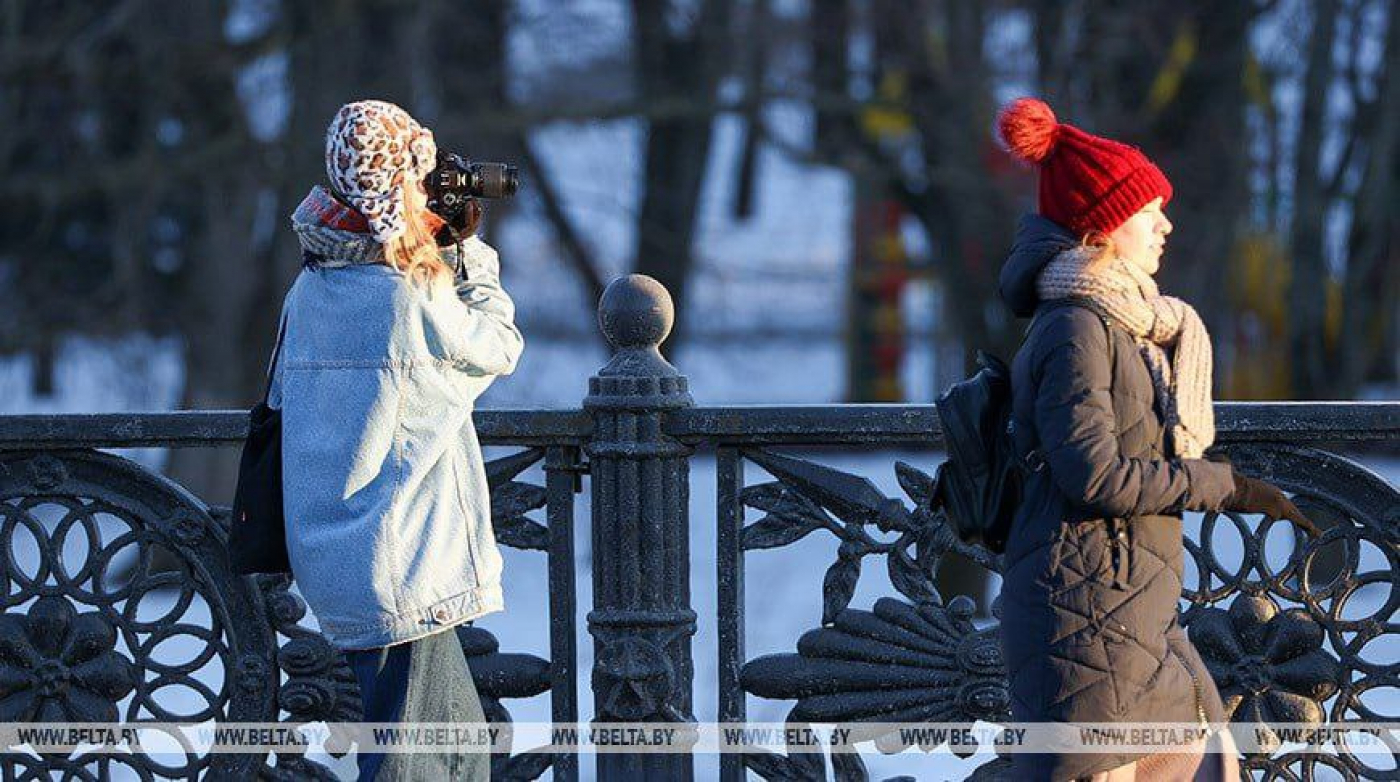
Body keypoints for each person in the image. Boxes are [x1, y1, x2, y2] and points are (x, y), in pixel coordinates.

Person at [993, 98, 1318, 781]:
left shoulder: (1126, 325)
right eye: (1149, 211)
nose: (1165, 224)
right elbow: (1095, 475)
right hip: (1084, 616)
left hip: (1129, 611)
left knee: (1213, 760)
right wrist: (1226, 486)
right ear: (1105, 227)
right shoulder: (1076, 329)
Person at [267, 99, 524, 780]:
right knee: (416, 767)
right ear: (399, 184)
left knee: (457, 758)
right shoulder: (407, 296)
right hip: (401, 566)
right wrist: (468, 254)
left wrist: (430, 245)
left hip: (342, 557)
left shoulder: (313, 286)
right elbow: (496, 345)